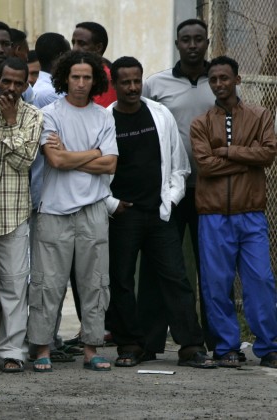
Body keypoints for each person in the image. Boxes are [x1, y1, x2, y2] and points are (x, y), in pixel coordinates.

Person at [104, 56, 215, 369]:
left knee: (176, 278)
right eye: (125, 82)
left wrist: (171, 198)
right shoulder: (105, 119)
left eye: (136, 81)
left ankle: (190, 346)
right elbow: (97, 173)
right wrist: (112, 204)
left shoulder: (160, 114)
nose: (132, 87)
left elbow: (178, 166)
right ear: (115, 84)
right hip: (122, 216)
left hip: (159, 214)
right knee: (122, 280)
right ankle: (131, 344)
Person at [27, 50, 116, 373]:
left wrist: (76, 155)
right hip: (53, 209)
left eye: (86, 77)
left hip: (93, 208)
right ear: (65, 77)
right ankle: (41, 348)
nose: (80, 83)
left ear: (96, 81)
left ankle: (92, 348)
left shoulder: (104, 115)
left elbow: (111, 163)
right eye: (75, 77)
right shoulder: (49, 113)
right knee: (47, 283)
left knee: (94, 282)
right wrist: (94, 153)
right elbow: (56, 161)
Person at [191, 56, 277, 369]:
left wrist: (227, 151)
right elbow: (205, 165)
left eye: (224, 78)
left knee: (261, 280)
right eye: (213, 80)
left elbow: (268, 153)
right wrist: (246, 157)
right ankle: (227, 347)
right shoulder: (201, 123)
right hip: (212, 215)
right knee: (216, 283)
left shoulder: (260, 115)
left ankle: (269, 346)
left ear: (237, 80)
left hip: (250, 212)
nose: (219, 84)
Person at [141, 18, 218, 360]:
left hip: (211, 189)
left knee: (211, 269)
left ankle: (219, 342)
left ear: (206, 42)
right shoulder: (156, 84)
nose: (192, 45)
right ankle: (150, 341)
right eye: (185, 39)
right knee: (161, 265)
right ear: (177, 43)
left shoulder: (219, 82)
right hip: (167, 191)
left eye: (198, 39)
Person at [0, 57, 42, 373]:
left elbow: (25, 161)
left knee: (14, 286)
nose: (13, 88)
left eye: (19, 83)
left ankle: (11, 351)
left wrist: (12, 121)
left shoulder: (33, 116)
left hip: (14, 213)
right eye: (7, 81)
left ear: (26, 84)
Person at [28, 32, 75, 363]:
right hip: (47, 191)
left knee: (44, 271)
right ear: (62, 56)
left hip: (43, 190)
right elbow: (56, 152)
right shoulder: (48, 94)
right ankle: (45, 339)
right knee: (46, 271)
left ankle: (45, 337)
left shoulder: (41, 90)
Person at [71, 21, 116, 107]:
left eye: (82, 44)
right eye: (73, 43)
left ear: (98, 48)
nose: (74, 49)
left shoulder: (105, 77)